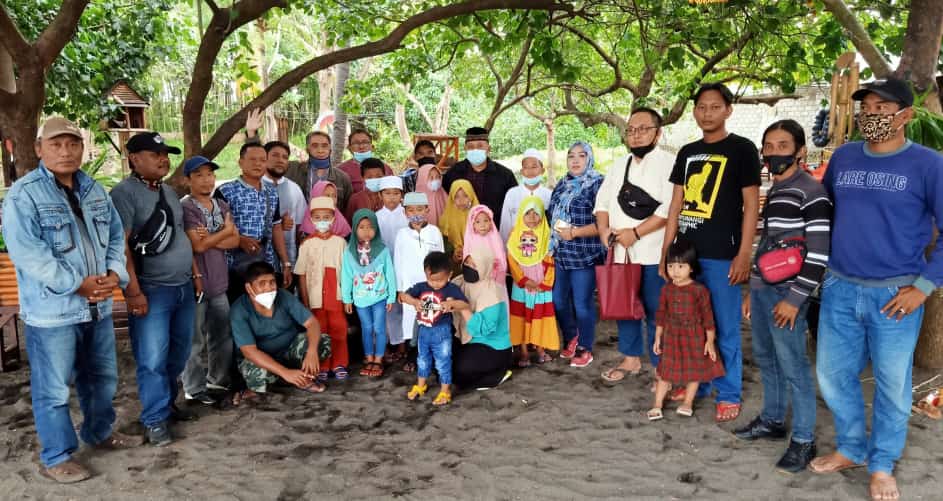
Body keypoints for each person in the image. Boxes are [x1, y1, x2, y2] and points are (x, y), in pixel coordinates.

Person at [810, 78, 943, 501]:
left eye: (883, 107)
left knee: (891, 384)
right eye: (866, 107)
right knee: (832, 376)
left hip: (896, 296)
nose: (873, 115)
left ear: (906, 114)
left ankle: (883, 463)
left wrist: (923, 287)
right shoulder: (845, 157)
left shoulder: (929, 164)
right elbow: (822, 213)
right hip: (840, 288)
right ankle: (852, 448)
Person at [2, 116, 139, 483]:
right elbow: (29, 254)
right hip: (53, 312)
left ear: (81, 147)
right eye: (56, 144)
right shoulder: (23, 195)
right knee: (54, 387)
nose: (65, 151)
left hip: (97, 306)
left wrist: (114, 275)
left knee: (102, 378)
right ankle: (57, 455)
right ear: (39, 149)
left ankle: (99, 432)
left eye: (72, 143)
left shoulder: (93, 189)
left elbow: (113, 237)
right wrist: (76, 283)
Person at [735, 119, 832, 473]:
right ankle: (773, 420)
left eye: (782, 145)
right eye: (769, 146)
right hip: (763, 290)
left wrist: (794, 299)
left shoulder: (811, 191)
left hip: (788, 294)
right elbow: (772, 244)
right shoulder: (776, 188)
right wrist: (751, 289)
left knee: (793, 365)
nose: (774, 153)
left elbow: (819, 253)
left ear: (800, 151)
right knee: (766, 356)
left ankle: (804, 440)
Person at [662, 82, 761, 422]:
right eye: (701, 107)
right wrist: (667, 253)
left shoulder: (742, 149)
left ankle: (728, 390)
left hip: (723, 255)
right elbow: (676, 204)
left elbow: (751, 205)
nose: (707, 113)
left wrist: (744, 253)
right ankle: (699, 383)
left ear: (728, 110)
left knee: (725, 326)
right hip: (687, 255)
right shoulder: (687, 151)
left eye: (714, 107)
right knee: (690, 324)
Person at [111, 131, 196, 446]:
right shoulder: (124, 194)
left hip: (182, 286)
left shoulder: (168, 191)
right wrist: (133, 292)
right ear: (134, 159)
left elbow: (178, 236)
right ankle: (154, 419)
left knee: (179, 352)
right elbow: (121, 247)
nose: (163, 159)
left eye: (165, 154)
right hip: (152, 289)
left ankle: (167, 405)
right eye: (154, 154)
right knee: (152, 357)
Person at [595, 107, 674, 383]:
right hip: (621, 252)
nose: (636, 135)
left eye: (643, 129)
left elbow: (670, 208)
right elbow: (602, 203)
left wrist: (637, 233)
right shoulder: (619, 165)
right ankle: (630, 360)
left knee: (656, 310)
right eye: (631, 130)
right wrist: (604, 230)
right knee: (624, 307)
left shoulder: (670, 163)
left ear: (658, 132)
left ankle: (659, 365)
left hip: (654, 253)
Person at [180, 156, 239, 406]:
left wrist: (215, 237)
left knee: (221, 335)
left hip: (220, 282)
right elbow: (198, 245)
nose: (207, 180)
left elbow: (235, 241)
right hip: (198, 283)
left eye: (210, 174)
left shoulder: (221, 205)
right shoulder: (187, 207)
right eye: (199, 175)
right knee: (194, 339)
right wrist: (223, 232)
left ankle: (217, 380)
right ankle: (193, 388)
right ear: (188, 180)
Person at [647, 240, 724, 421]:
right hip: (671, 336)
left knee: (694, 371)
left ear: (691, 268)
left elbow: (708, 318)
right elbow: (661, 314)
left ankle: (688, 402)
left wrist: (710, 342)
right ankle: (657, 404)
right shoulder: (666, 289)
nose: (675, 271)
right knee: (665, 371)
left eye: (681, 266)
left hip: (694, 337)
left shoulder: (699, 291)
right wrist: (658, 337)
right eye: (671, 266)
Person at [231, 261, 330, 397]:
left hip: (288, 352)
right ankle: (288, 377)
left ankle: (299, 377)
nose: (269, 288)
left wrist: (311, 352)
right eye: (262, 283)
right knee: (257, 374)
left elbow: (312, 323)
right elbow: (250, 352)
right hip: (263, 358)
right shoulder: (239, 310)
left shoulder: (283, 296)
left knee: (322, 341)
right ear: (249, 288)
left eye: (272, 282)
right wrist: (284, 372)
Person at [548, 141, 606, 368]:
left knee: (582, 304)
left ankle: (585, 347)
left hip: (585, 255)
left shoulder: (598, 184)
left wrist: (575, 232)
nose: (575, 160)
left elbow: (603, 224)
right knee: (559, 301)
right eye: (571, 156)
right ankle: (572, 336)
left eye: (581, 156)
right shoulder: (562, 184)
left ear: (589, 159)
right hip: (561, 253)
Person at [215, 143, 291, 299]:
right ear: (241, 162)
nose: (258, 164)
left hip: (265, 261)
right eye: (252, 159)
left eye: (262, 160)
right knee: (238, 304)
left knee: (264, 304)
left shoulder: (271, 192)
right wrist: (239, 240)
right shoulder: (225, 191)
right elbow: (216, 228)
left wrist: (285, 263)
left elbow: (276, 228)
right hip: (234, 264)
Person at [402, 251, 469, 406]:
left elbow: (465, 304)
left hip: (442, 331)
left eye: (439, 280)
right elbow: (404, 296)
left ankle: (445, 390)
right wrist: (414, 302)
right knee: (422, 359)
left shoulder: (450, 289)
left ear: (450, 274)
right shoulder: (422, 287)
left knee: (443, 361)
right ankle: (420, 385)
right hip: (423, 330)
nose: (434, 284)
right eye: (430, 279)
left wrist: (451, 304)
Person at [295, 196, 349, 381]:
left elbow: (347, 271)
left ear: (334, 218)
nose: (322, 221)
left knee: (339, 328)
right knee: (320, 330)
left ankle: (339, 363)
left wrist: (347, 296)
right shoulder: (306, 244)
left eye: (326, 216)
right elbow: (301, 273)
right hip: (314, 294)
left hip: (336, 293)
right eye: (317, 217)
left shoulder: (341, 242)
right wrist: (305, 299)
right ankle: (323, 364)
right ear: (311, 220)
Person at [342, 209, 397, 377]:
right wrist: (347, 298)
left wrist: (391, 296)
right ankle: (369, 357)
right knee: (366, 328)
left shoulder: (382, 250)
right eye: (362, 227)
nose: (366, 231)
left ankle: (378, 359)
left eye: (370, 226)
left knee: (379, 328)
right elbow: (346, 276)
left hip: (380, 297)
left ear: (376, 229)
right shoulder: (349, 253)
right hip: (360, 299)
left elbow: (390, 274)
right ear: (354, 229)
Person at [394, 192, 446, 369]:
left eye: (419, 209)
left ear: (427, 210)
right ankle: (411, 357)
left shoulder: (434, 232)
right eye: (411, 210)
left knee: (431, 320)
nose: (415, 213)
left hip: (432, 285)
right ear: (405, 213)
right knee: (411, 322)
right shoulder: (401, 234)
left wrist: (441, 283)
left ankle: (431, 357)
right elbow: (398, 262)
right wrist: (400, 289)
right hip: (410, 286)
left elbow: (441, 259)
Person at [453, 245, 514, 390]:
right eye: (467, 263)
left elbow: (482, 331)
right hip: (466, 341)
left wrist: (463, 308)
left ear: (485, 267)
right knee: (440, 365)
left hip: (492, 346)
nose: (469, 267)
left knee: (460, 372)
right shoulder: (459, 282)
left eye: (475, 265)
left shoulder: (493, 292)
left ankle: (497, 376)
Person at [506, 196, 558, 366]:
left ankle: (541, 350)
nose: (532, 217)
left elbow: (551, 262)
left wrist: (544, 284)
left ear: (542, 216)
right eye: (527, 213)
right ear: (521, 215)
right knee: (521, 318)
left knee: (540, 317)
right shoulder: (514, 237)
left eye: (536, 214)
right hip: (521, 287)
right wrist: (524, 280)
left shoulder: (547, 236)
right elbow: (512, 260)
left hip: (542, 287)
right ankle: (524, 353)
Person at [442, 127, 517, 230]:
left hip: (494, 232)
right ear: (465, 149)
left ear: (488, 149)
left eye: (480, 146)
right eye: (471, 147)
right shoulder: (454, 172)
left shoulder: (505, 175)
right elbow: (444, 198)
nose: (475, 150)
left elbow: (514, 206)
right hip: (462, 232)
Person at [263, 140, 306, 274]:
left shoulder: (294, 188)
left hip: (289, 260)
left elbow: (300, 226)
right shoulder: (256, 186)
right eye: (275, 155)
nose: (280, 160)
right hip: (260, 262)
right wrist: (277, 226)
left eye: (285, 157)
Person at [499, 149, 552, 242]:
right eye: (526, 167)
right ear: (522, 171)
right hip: (516, 248)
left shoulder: (549, 195)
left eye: (534, 167)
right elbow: (505, 225)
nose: (530, 171)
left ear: (542, 170)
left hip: (542, 249)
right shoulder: (512, 194)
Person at [335, 128, 394, 195]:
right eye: (356, 143)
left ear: (372, 147)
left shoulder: (386, 168)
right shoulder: (340, 170)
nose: (361, 146)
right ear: (349, 148)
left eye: (365, 142)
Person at [439, 179, 479, 270]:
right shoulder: (445, 220)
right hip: (455, 268)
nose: (461, 200)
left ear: (471, 195)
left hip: (477, 265)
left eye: (465, 195)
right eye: (456, 197)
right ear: (451, 198)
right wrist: (454, 254)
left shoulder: (480, 217)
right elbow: (443, 247)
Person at [462, 205, 507, 282]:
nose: (482, 225)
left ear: (491, 222)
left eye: (486, 220)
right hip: (478, 277)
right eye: (478, 222)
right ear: (472, 224)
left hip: (495, 276)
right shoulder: (470, 238)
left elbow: (500, 255)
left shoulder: (495, 237)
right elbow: (467, 258)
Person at [343, 157, 386, 223]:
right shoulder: (355, 199)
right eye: (369, 177)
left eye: (379, 176)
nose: (374, 179)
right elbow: (348, 224)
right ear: (362, 178)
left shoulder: (390, 197)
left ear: (384, 176)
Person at [414, 158, 447, 226]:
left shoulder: (442, 193)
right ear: (422, 179)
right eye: (431, 178)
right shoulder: (416, 199)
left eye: (438, 177)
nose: (435, 180)